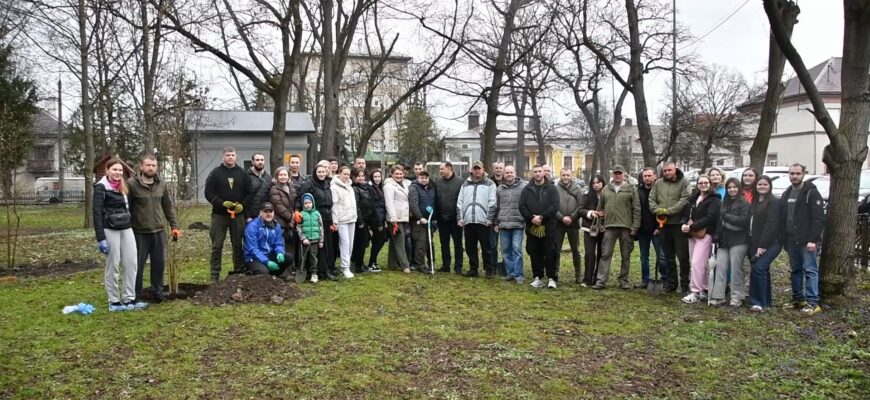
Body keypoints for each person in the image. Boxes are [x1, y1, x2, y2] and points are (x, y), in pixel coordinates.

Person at [94, 158, 147, 311]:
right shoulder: (100, 187)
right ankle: (114, 301)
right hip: (109, 229)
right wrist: (101, 238)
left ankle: (129, 299)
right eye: (114, 169)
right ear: (107, 170)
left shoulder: (123, 187)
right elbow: (96, 213)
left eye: (120, 170)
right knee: (113, 265)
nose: (117, 173)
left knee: (131, 263)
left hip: (126, 227)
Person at [128, 155, 180, 303]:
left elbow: (168, 207)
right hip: (139, 232)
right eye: (148, 165)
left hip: (158, 231)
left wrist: (174, 226)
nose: (151, 168)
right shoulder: (132, 184)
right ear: (141, 166)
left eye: (153, 165)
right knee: (137, 265)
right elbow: (127, 208)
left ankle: (157, 292)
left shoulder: (161, 184)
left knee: (159, 264)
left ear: (157, 167)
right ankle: (135, 295)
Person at [780, 164, 825, 315]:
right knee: (795, 270)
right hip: (791, 239)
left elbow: (818, 218)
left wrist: (813, 239)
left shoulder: (811, 192)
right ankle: (798, 299)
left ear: (804, 174)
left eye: (798, 173)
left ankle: (813, 302)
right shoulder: (787, 192)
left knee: (810, 270)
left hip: (807, 241)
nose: (794, 176)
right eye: (792, 173)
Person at [204, 146, 252, 282]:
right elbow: (208, 193)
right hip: (219, 215)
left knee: (238, 244)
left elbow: (249, 193)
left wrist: (242, 205)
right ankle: (214, 274)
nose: (230, 157)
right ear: (223, 157)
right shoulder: (215, 173)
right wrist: (220, 202)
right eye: (227, 155)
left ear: (236, 156)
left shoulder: (243, 173)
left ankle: (238, 271)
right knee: (216, 245)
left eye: (232, 155)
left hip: (237, 216)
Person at [592, 165, 641, 290]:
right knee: (605, 254)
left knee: (626, 255)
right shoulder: (606, 189)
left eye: (619, 173)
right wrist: (600, 224)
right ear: (612, 175)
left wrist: (635, 226)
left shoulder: (631, 189)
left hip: (626, 227)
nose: (617, 175)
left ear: (624, 174)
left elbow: (636, 208)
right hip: (609, 227)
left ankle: (623, 280)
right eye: (615, 173)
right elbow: (600, 209)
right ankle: (601, 281)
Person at [649, 161, 692, 293]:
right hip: (664, 225)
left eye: (669, 170)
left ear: (675, 169)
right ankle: (672, 283)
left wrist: (669, 211)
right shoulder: (658, 183)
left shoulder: (684, 182)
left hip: (678, 224)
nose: (667, 172)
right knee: (668, 256)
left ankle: (685, 284)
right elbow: (651, 199)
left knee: (683, 256)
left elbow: (685, 199)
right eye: (665, 171)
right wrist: (658, 210)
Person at [710, 178, 751, 307]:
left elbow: (743, 221)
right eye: (730, 187)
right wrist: (716, 234)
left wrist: (726, 216)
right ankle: (718, 295)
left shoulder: (744, 203)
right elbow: (718, 220)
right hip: (723, 239)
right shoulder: (724, 202)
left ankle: (737, 296)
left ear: (739, 188)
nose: (732, 189)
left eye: (735, 187)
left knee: (736, 268)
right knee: (720, 267)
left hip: (739, 239)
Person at [680, 175, 720, 304]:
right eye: (701, 183)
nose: (703, 185)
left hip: (705, 234)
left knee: (698, 262)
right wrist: (684, 224)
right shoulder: (694, 198)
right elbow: (686, 214)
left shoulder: (714, 199)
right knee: (695, 263)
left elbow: (711, 217)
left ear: (710, 184)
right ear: (697, 185)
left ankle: (695, 292)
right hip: (692, 234)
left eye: (706, 182)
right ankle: (703, 289)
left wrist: (692, 226)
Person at [519, 165, 560, 288]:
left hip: (548, 226)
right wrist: (532, 217)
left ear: (544, 173)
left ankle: (552, 278)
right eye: (535, 172)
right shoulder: (527, 189)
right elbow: (522, 206)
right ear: (532, 174)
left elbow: (555, 205)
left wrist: (542, 217)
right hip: (532, 226)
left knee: (550, 252)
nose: (537, 174)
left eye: (539, 171)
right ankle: (537, 277)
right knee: (534, 251)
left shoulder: (552, 188)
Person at [296, 162, 338, 281]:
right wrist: (297, 211)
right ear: (315, 173)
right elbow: (301, 197)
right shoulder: (309, 184)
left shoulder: (327, 184)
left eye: (323, 172)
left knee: (327, 245)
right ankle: (320, 271)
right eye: (319, 172)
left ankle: (328, 268)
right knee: (318, 247)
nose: (321, 174)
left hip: (327, 218)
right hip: (314, 218)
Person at [457, 160, 498, 278]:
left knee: (487, 247)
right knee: (470, 247)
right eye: (475, 169)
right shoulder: (465, 184)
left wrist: (489, 219)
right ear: (471, 170)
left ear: (483, 169)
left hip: (483, 221)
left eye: (479, 168)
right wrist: (460, 218)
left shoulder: (490, 184)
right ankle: (473, 268)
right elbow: (460, 202)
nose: (477, 171)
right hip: (469, 221)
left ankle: (488, 269)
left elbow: (492, 202)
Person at [748, 175, 781, 311]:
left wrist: (762, 245)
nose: (762, 187)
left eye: (765, 185)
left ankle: (758, 302)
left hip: (771, 242)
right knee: (762, 269)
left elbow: (771, 225)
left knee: (759, 268)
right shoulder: (756, 200)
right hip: (756, 241)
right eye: (759, 184)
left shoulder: (773, 202)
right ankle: (766, 300)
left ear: (770, 186)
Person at [494, 165, 527, 283]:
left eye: (511, 172)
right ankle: (510, 273)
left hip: (518, 224)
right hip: (503, 224)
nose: (509, 174)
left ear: (515, 173)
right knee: (506, 250)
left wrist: (525, 219)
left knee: (517, 249)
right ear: (503, 174)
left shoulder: (523, 187)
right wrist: (495, 222)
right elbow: (497, 207)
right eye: (507, 172)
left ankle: (519, 275)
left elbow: (526, 204)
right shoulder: (499, 189)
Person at [636, 167, 667, 289]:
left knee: (661, 256)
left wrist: (659, 227)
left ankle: (665, 279)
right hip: (643, 230)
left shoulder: (660, 191)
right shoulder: (639, 191)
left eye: (649, 176)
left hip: (657, 229)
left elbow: (663, 209)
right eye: (645, 176)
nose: (647, 178)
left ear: (655, 176)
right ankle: (645, 279)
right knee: (644, 256)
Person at [243, 202, 293, 276]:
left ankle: (275, 275)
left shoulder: (276, 226)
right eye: (265, 211)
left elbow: (278, 243)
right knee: (263, 272)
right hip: (253, 258)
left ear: (273, 213)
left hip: (269, 255)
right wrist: (267, 261)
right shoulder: (252, 226)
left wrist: (280, 252)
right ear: (260, 213)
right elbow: (253, 249)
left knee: (289, 257)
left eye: (270, 211)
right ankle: (250, 272)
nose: (268, 214)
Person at [554, 168, 584, 283]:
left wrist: (572, 217)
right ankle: (555, 273)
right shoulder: (555, 188)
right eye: (563, 175)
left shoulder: (577, 188)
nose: (565, 177)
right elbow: (553, 206)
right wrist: (562, 218)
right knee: (556, 249)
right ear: (560, 175)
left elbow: (581, 205)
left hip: (573, 223)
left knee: (575, 250)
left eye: (567, 175)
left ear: (571, 176)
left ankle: (578, 274)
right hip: (559, 223)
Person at [434, 161, 464, 273]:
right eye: (440, 169)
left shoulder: (460, 182)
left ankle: (458, 266)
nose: (440, 171)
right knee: (444, 243)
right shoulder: (438, 182)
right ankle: (446, 265)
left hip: (455, 219)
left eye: (442, 169)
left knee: (458, 243)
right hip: (442, 219)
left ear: (449, 168)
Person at [269, 166, 298, 278]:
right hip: (280, 222)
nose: (283, 177)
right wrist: (290, 217)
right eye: (280, 175)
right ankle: (281, 272)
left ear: (288, 176)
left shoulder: (292, 187)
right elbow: (278, 205)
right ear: (276, 176)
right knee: (281, 247)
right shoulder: (274, 189)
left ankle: (290, 272)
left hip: (291, 222)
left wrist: (295, 214)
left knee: (291, 247)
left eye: (285, 174)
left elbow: (295, 202)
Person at [331, 165, 358, 279]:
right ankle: (345, 267)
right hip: (342, 220)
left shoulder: (350, 186)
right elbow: (334, 205)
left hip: (352, 218)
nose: (346, 176)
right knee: (345, 243)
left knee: (350, 244)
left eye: (348, 174)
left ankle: (345, 265)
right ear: (339, 173)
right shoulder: (334, 187)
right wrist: (335, 221)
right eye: (344, 174)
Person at [384, 164, 412, 273]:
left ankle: (392, 264)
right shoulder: (389, 186)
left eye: (401, 174)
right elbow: (389, 203)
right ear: (392, 174)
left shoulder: (406, 184)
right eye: (396, 174)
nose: (399, 176)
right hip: (395, 217)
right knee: (400, 241)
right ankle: (405, 265)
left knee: (395, 240)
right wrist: (393, 218)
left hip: (404, 216)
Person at [579, 175, 605, 287]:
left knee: (602, 253)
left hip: (604, 228)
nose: (596, 185)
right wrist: (590, 213)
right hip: (589, 228)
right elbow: (580, 209)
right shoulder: (586, 195)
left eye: (598, 182)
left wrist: (605, 213)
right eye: (593, 183)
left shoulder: (608, 195)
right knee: (589, 253)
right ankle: (587, 279)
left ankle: (598, 278)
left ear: (603, 183)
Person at [409, 170, 438, 272]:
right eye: (422, 178)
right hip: (419, 222)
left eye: (426, 178)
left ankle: (431, 263)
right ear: (418, 178)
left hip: (430, 220)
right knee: (421, 243)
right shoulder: (414, 188)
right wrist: (420, 217)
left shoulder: (431, 188)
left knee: (430, 243)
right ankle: (420, 265)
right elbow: (413, 204)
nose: (424, 180)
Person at [297, 193, 324, 283]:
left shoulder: (317, 214)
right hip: (305, 241)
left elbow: (321, 227)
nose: (308, 205)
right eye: (305, 203)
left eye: (309, 202)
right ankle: (302, 271)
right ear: (303, 204)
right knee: (302, 257)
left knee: (313, 258)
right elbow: (298, 227)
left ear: (313, 203)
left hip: (315, 241)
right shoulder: (301, 214)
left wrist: (321, 240)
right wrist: (303, 238)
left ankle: (314, 274)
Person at [351, 168, 374, 273]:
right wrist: (360, 221)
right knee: (361, 242)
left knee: (364, 241)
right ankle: (358, 264)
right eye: (358, 176)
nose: (361, 178)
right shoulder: (355, 189)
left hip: (366, 217)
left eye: (362, 176)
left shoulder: (365, 188)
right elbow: (356, 205)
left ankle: (360, 262)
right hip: (359, 220)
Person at [367, 169, 387, 272]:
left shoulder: (380, 188)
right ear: (372, 178)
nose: (377, 179)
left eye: (379, 176)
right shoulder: (371, 189)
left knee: (378, 241)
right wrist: (379, 222)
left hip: (382, 218)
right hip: (376, 220)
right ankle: (371, 263)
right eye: (375, 177)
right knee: (379, 240)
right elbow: (373, 207)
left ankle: (374, 262)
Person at [246, 152, 272, 221]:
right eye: (257, 160)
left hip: (264, 215)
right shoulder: (246, 176)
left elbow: (269, 197)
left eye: (262, 160)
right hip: (250, 217)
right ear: (252, 162)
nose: (260, 162)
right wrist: (247, 216)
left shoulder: (268, 178)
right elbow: (243, 198)